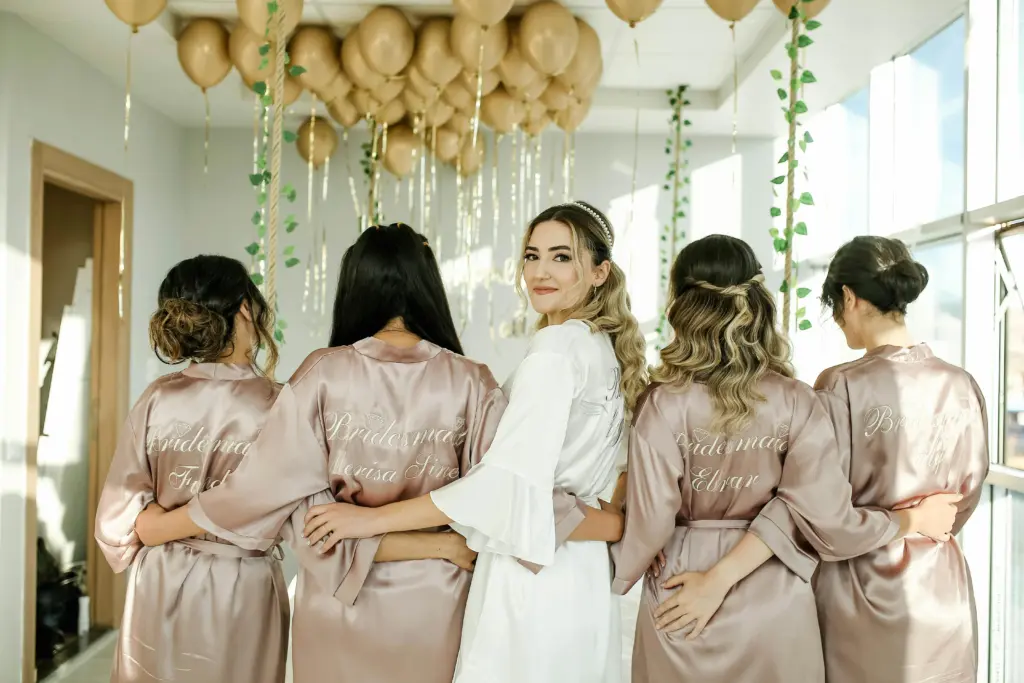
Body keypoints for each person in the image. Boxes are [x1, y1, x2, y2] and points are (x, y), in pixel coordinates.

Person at [131, 224, 617, 683]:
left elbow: (301, 516)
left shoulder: (320, 373)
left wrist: (167, 524)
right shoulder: (473, 381)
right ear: (429, 287)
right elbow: (510, 495)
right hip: (438, 600)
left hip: (339, 604)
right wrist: (612, 525)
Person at [301, 202, 648, 683]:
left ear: (599, 271)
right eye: (532, 256)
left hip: (533, 573)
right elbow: (624, 470)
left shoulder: (556, 349)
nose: (540, 272)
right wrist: (609, 521)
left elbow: (499, 489)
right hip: (584, 574)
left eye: (561, 257)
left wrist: (370, 519)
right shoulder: (603, 350)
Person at [609, 235, 962, 683]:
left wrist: (637, 545)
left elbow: (649, 526)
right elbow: (824, 518)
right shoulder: (797, 400)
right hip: (773, 594)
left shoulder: (662, 404)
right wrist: (908, 522)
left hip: (682, 595)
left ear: (680, 304)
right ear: (758, 302)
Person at [94, 254, 289, 683]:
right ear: (244, 308)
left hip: (158, 582)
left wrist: (162, 526)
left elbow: (119, 522)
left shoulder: (158, 397)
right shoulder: (279, 404)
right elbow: (288, 516)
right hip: (241, 588)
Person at [809, 236, 988, 683]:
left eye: (834, 307)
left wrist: (886, 523)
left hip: (859, 596)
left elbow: (825, 519)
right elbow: (958, 507)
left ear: (848, 298)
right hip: (941, 595)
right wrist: (921, 522)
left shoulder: (839, 385)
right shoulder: (961, 384)